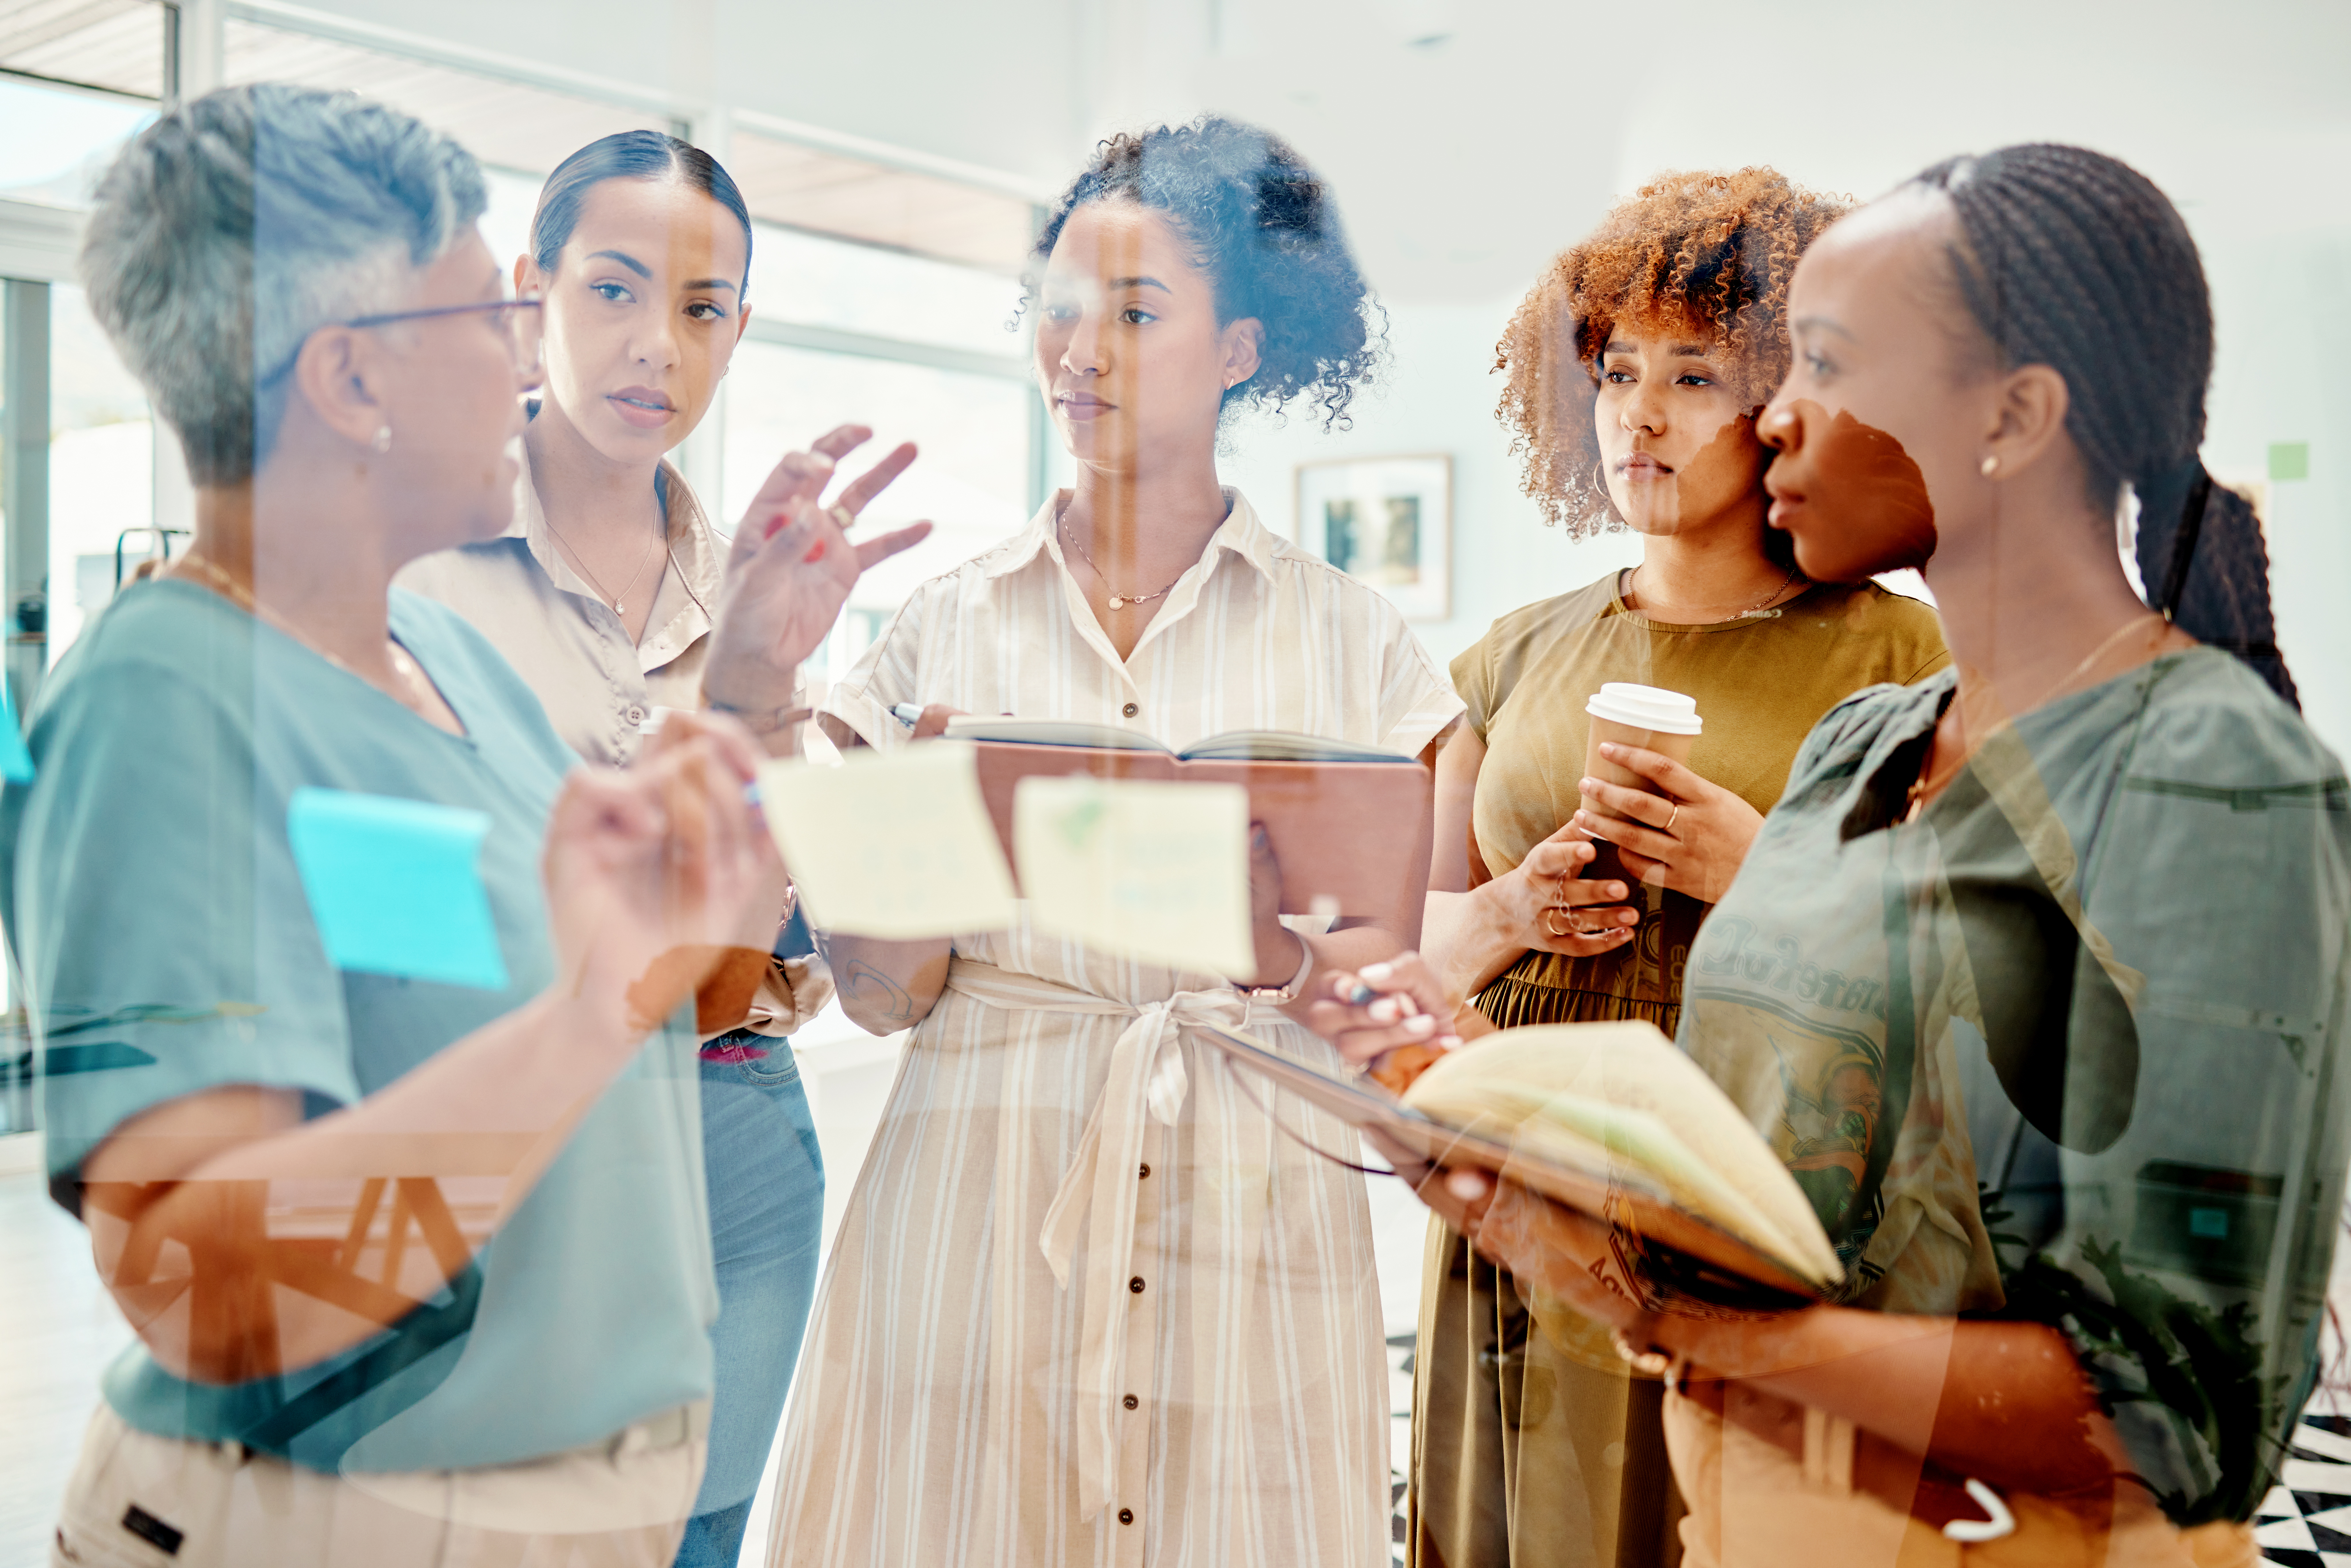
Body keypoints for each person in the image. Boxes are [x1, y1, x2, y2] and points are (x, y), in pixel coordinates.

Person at [1330, 144, 2350, 1565]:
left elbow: (2175, 1412)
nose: (1772, 418)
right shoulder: (1864, 747)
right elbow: (1788, 1213)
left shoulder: (2213, 780)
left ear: (2011, 416)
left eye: (1821, 363)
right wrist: (1508, 1174)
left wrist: (1705, 1334)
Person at [17, 85, 907, 1566]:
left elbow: (565, 999)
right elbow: (206, 1289)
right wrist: (586, 1004)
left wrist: (745, 703)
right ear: (351, 378)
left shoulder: (443, 665)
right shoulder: (163, 702)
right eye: (485, 315)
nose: (525, 350)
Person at [765, 117, 1464, 1567]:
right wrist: (932, 831)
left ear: (1239, 349)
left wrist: (1298, 958)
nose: (1079, 351)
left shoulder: (1358, 645)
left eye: (1135, 314)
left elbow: (1399, 1021)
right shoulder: (939, 625)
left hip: (1249, 1210)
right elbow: (879, 991)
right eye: (1060, 309)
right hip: (975, 1201)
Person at [394, 130, 924, 1567]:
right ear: (531, 291)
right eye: (614, 289)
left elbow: (774, 930)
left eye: (701, 308)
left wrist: (791, 726)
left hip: (734, 1134)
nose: (657, 345)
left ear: (739, 329)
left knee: (692, 1544)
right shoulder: (409, 557)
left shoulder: (761, 584)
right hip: (497, 1137)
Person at [1413, 169, 1947, 1568]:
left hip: (1754, 1169)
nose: (1635, 416)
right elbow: (1409, 947)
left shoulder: (1904, 659)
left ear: (1788, 402)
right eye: (1615, 371)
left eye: (1693, 375)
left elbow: (1980, 975)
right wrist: (1509, 908)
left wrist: (1759, 871)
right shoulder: (1513, 656)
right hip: (1521, 1159)